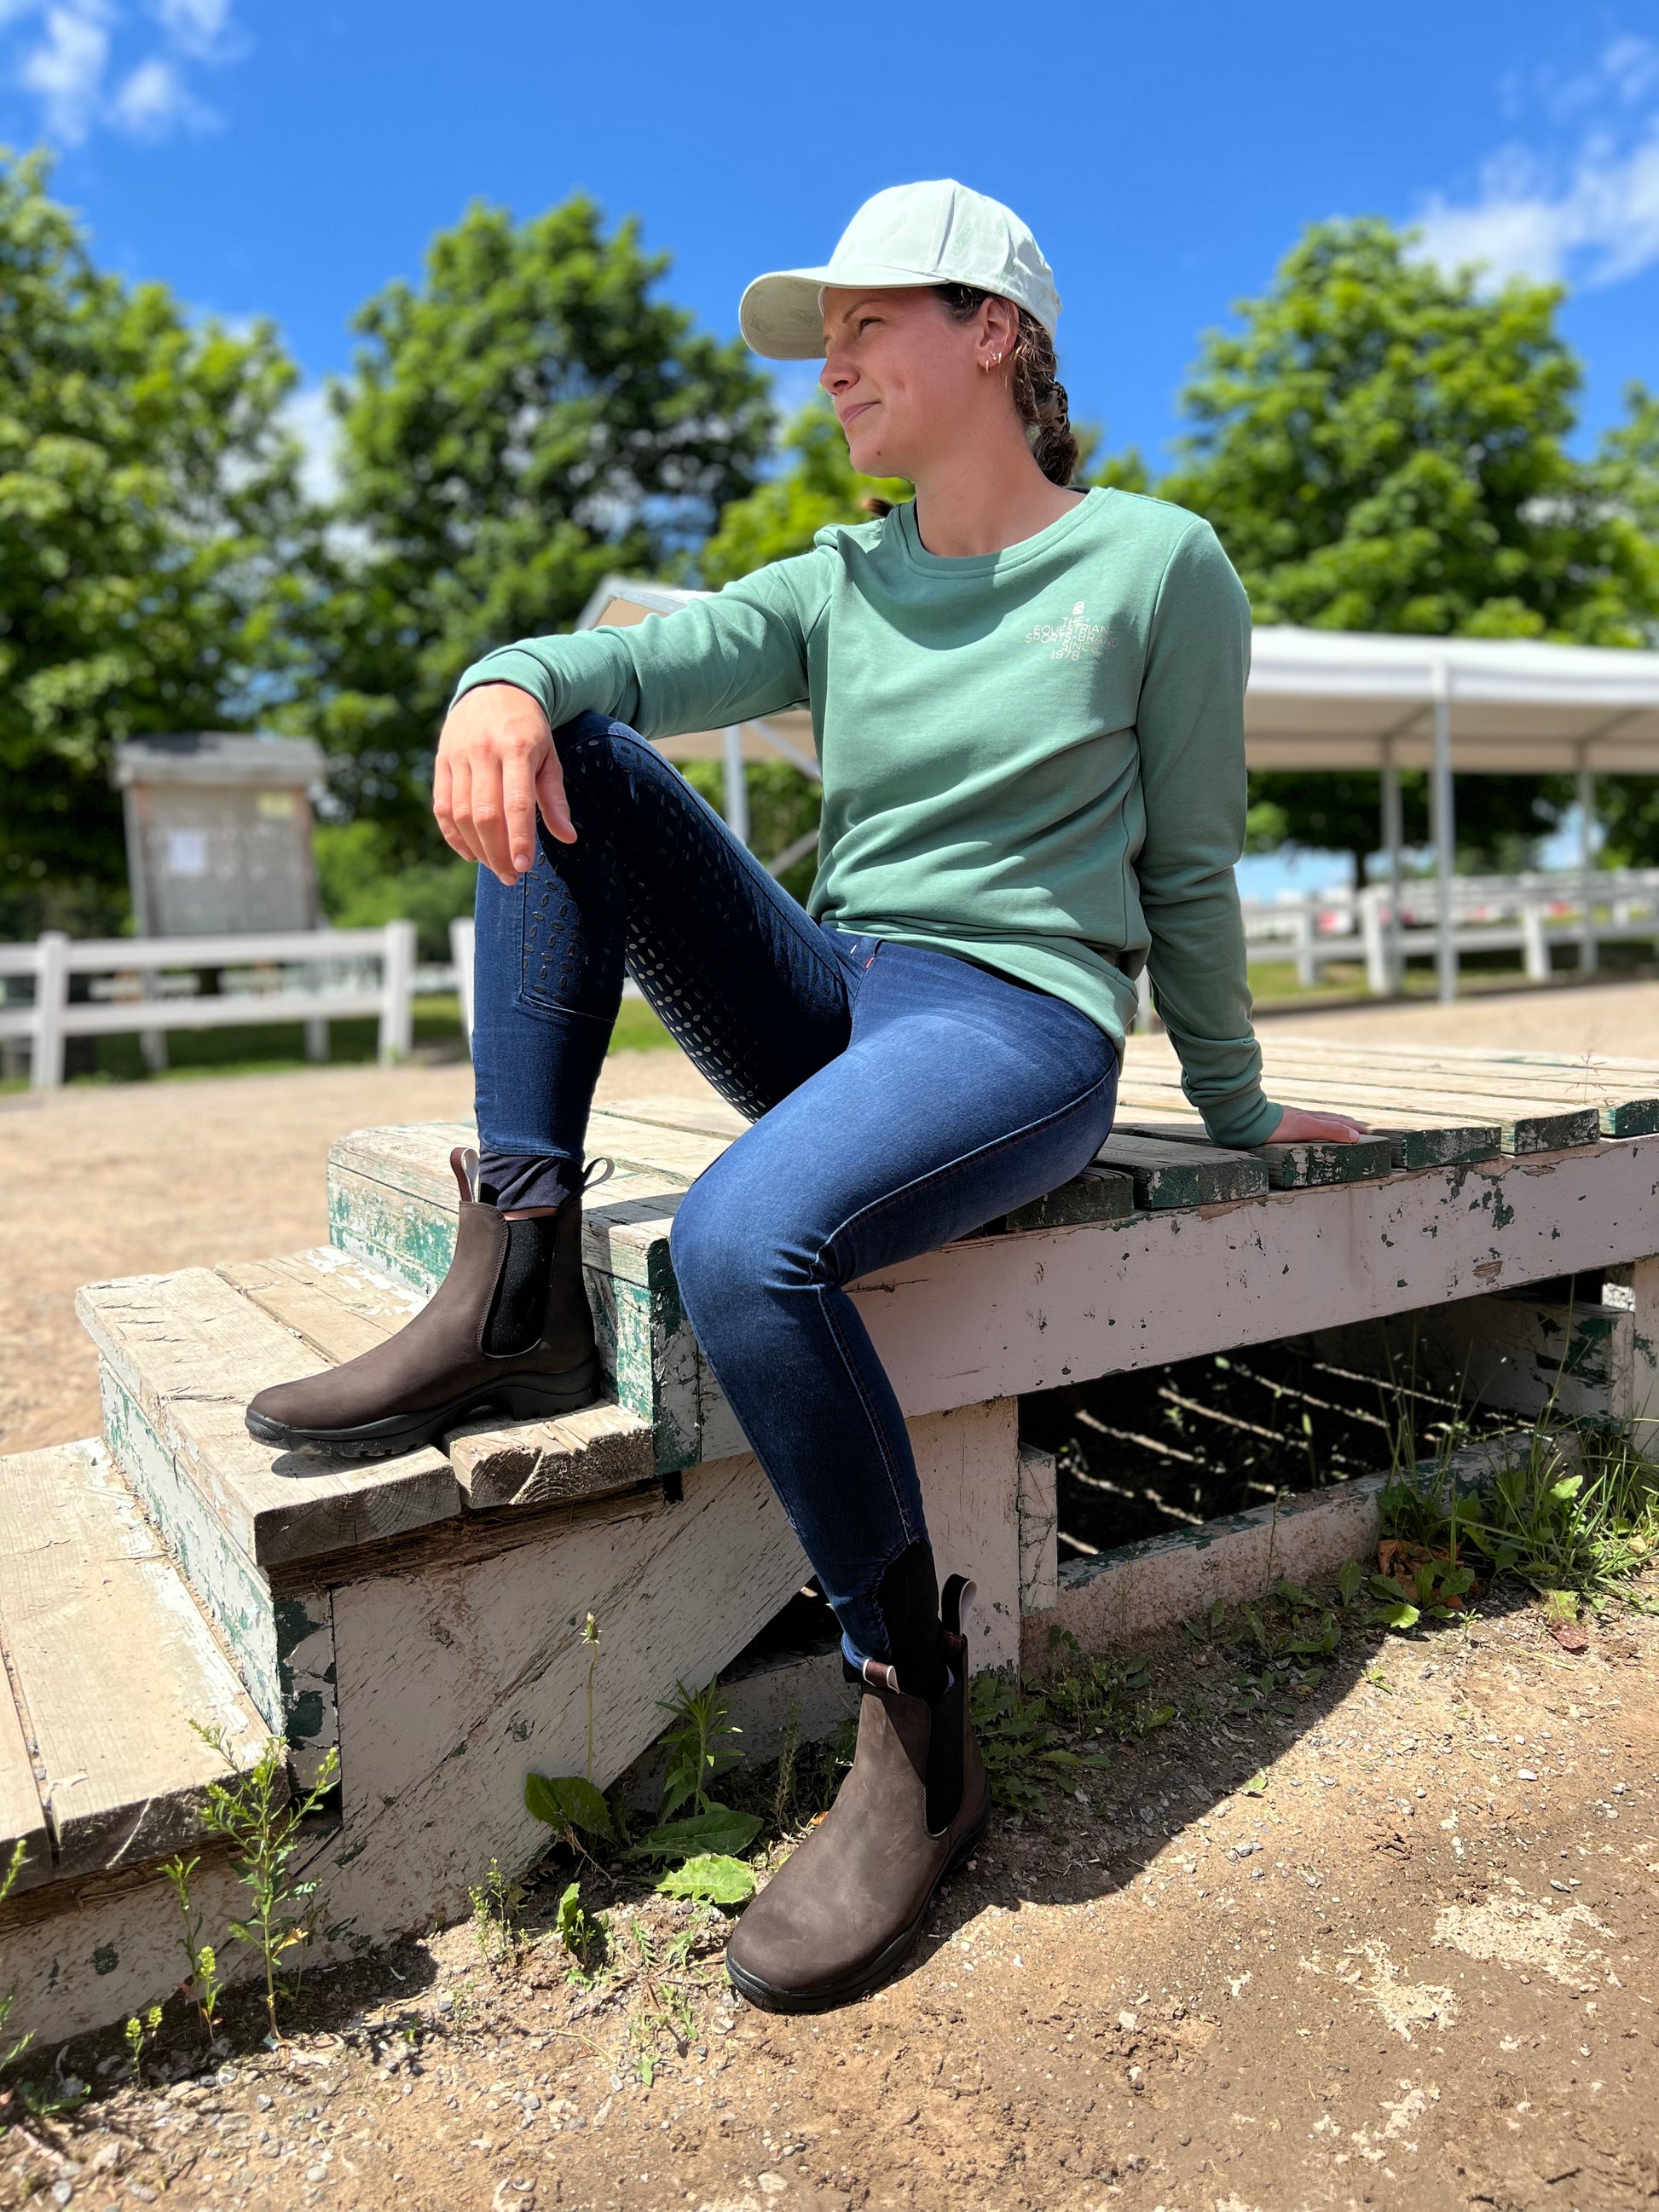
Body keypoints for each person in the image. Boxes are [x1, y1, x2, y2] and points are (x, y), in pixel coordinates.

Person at [246, 179, 1366, 2013]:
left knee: (741, 1236)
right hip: (847, 995)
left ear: (993, 332)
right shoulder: (841, 578)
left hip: (1016, 1024)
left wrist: (1235, 1109)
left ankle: (915, 1718)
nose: (829, 368)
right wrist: (500, 678)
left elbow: (1188, 868)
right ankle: (516, 1274)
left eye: (865, 328)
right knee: (576, 747)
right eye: (822, 340)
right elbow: (628, 661)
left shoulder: (1158, 564)